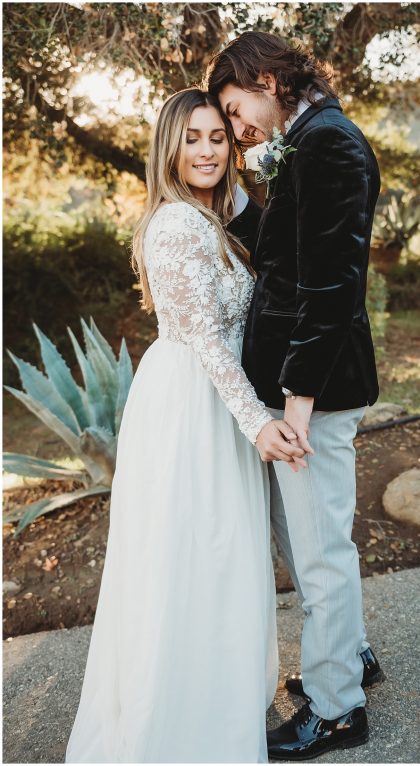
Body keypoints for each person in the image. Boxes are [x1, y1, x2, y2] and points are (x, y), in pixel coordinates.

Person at [65, 87, 307, 762]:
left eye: (216, 138)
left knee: (221, 557)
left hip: (217, 403)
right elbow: (204, 339)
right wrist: (257, 421)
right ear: (168, 147)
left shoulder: (214, 214)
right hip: (190, 408)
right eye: (192, 138)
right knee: (188, 558)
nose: (206, 150)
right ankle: (175, 718)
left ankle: (216, 694)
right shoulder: (172, 226)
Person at [206, 31, 382, 759]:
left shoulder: (329, 144)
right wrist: (235, 198)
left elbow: (333, 284)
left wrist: (298, 397)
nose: (237, 126)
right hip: (300, 382)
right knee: (307, 540)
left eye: (235, 106)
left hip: (314, 389)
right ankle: (354, 656)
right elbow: (288, 254)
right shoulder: (308, 135)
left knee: (319, 553)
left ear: (265, 77)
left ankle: (338, 707)